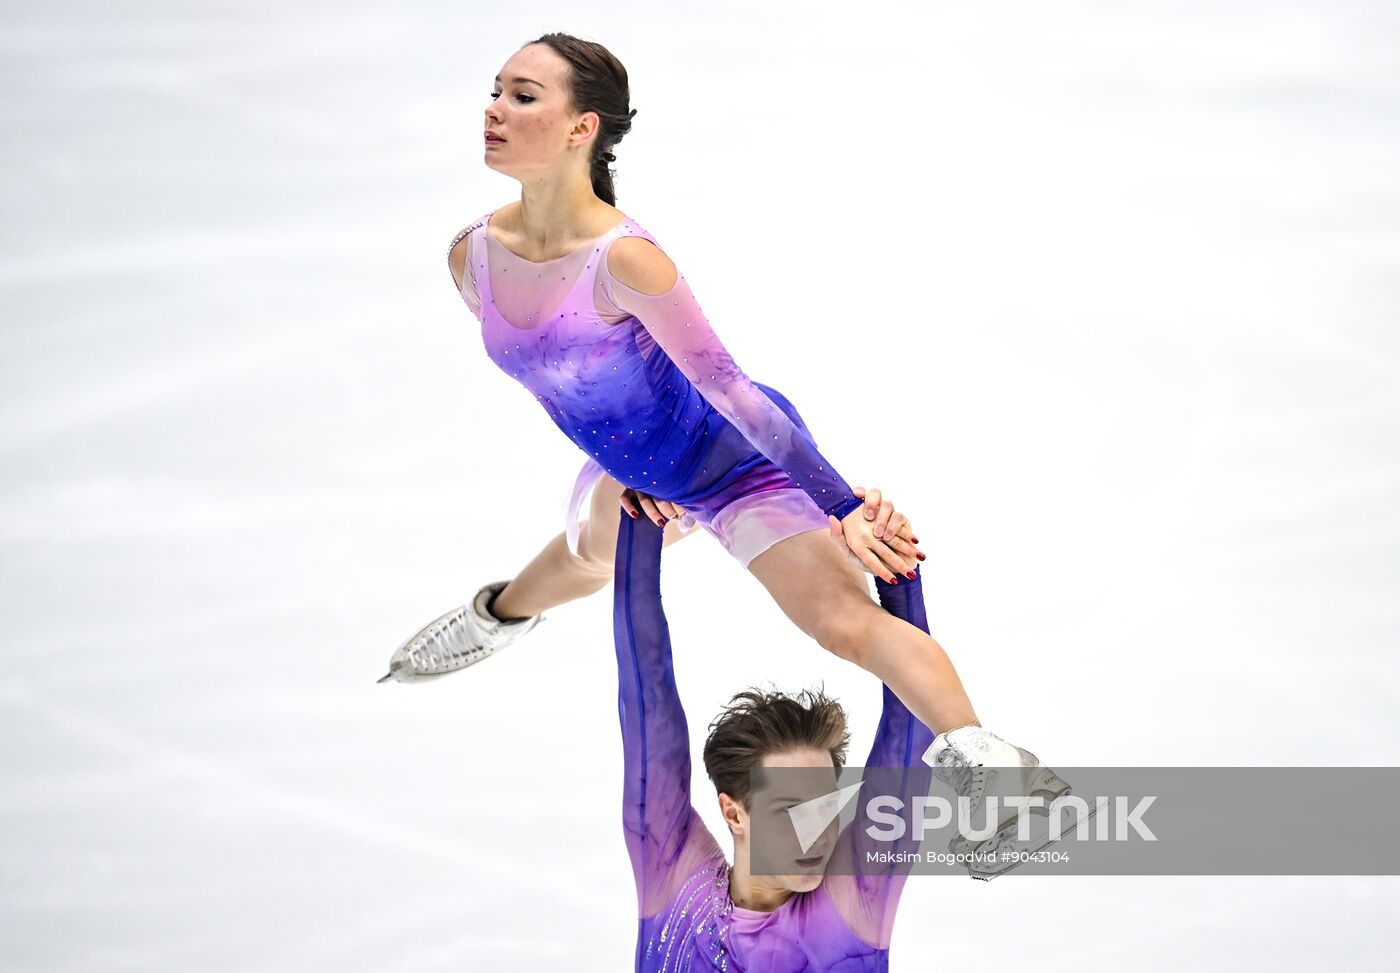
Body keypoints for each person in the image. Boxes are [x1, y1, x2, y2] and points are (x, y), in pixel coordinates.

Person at [378, 33, 1082, 865]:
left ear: (582, 128)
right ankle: (500, 611)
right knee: (586, 549)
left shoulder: (626, 260)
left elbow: (732, 390)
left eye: (525, 96)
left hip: (736, 462)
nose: (495, 109)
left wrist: (842, 505)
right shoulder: (473, 257)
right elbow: (563, 380)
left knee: (843, 624)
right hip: (642, 469)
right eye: (495, 89)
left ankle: (989, 764)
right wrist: (643, 472)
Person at [612, 508, 934, 970]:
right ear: (734, 811)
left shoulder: (855, 897)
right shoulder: (673, 875)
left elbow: (908, 730)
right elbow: (646, 688)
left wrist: (895, 568)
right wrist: (642, 518)